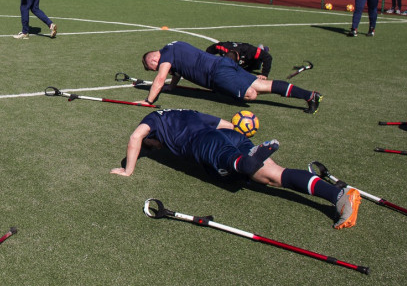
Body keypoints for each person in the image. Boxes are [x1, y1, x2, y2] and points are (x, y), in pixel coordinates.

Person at [109, 109, 360, 229]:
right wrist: (243, 137)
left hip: (204, 143)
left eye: (150, 146)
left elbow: (135, 138)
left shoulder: (152, 120)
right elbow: (226, 124)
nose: (153, 147)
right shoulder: (186, 112)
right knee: (273, 176)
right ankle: (337, 196)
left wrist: (128, 170)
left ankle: (246, 162)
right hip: (229, 136)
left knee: (239, 166)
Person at [139, 41, 322, 114]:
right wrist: (173, 87)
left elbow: (161, 78)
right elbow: (177, 71)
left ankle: (308, 96)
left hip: (217, 74)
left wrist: (149, 100)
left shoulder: (165, 57)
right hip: (224, 64)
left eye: (153, 67)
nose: (156, 69)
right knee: (262, 85)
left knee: (252, 94)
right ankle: (310, 95)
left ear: (154, 59)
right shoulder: (173, 47)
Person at [204, 41, 273, 77]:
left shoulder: (249, 51)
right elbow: (210, 49)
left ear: (238, 58)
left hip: (250, 59)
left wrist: (264, 74)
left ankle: (262, 51)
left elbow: (268, 57)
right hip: (242, 58)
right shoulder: (223, 48)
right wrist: (206, 61)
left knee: (251, 67)